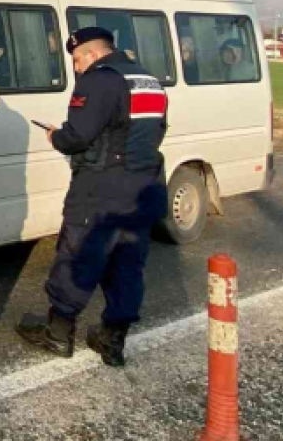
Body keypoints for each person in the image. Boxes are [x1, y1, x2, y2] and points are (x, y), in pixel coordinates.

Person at [17, 27, 169, 367]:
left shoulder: (99, 79)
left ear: (91, 54)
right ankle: (112, 339)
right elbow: (157, 131)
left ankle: (58, 333)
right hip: (142, 187)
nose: (76, 68)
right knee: (128, 264)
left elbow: (78, 136)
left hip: (100, 188)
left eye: (76, 60)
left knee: (78, 255)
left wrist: (57, 137)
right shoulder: (149, 80)